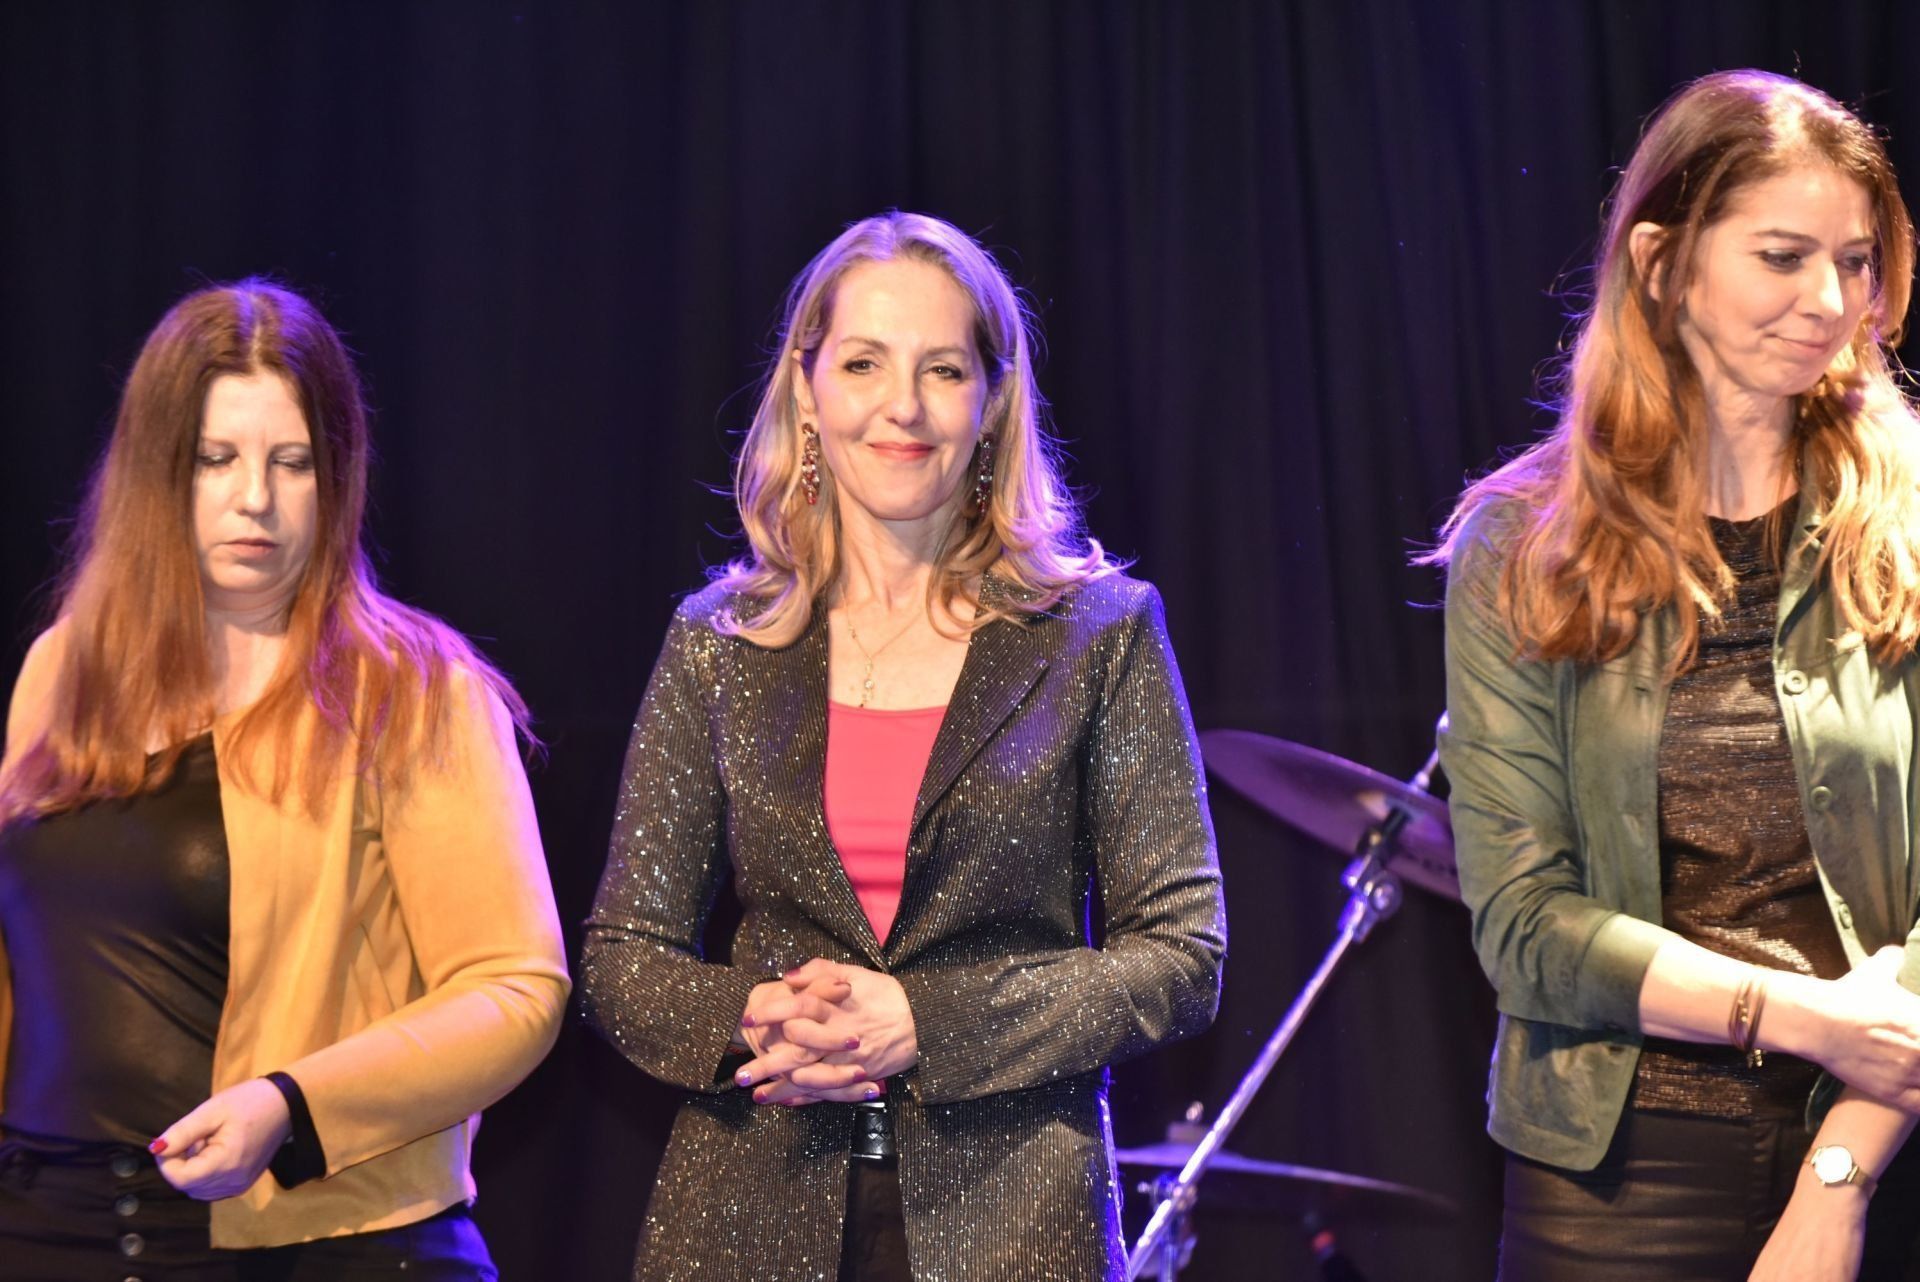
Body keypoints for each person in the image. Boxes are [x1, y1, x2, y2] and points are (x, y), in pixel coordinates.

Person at [580, 211, 1226, 1281]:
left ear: (993, 402)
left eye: (944, 370)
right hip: (746, 1220)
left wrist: (929, 1021)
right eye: (863, 363)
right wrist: (750, 1015)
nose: (904, 406)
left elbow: (1182, 957)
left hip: (1013, 1227)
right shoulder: (718, 643)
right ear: (807, 389)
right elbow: (620, 957)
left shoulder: (1100, 634)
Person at [1432, 70, 1920, 1280]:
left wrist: (1840, 1177)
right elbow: (1526, 927)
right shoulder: (1522, 545)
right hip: (1616, 1177)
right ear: (1661, 263)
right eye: (1782, 256)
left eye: (1856, 261)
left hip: (1879, 1130)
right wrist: (1806, 1015)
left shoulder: (1910, 518)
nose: (1830, 302)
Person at [0, 280, 570, 1279]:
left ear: (336, 477)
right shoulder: (64, 668)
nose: (254, 498)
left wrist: (289, 1106)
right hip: (50, 1225)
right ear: (155, 471)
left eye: (291, 461)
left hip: (315, 1243)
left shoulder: (412, 691)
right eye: (214, 458)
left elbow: (516, 987)